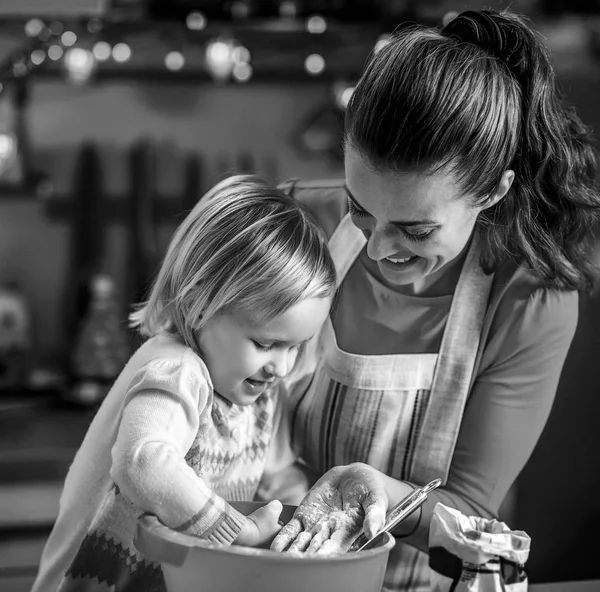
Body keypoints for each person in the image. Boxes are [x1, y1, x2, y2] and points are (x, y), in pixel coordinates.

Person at [260, 9, 600, 591]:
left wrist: (378, 494)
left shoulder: (529, 297)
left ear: (493, 190)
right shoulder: (294, 225)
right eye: (359, 208)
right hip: (259, 568)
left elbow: (471, 511)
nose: (380, 247)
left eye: (416, 230)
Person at [32, 175, 337, 592]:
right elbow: (143, 463)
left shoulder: (255, 386)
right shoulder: (177, 370)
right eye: (266, 343)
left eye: (297, 347)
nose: (282, 367)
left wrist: (294, 519)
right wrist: (240, 533)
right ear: (197, 307)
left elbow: (278, 473)